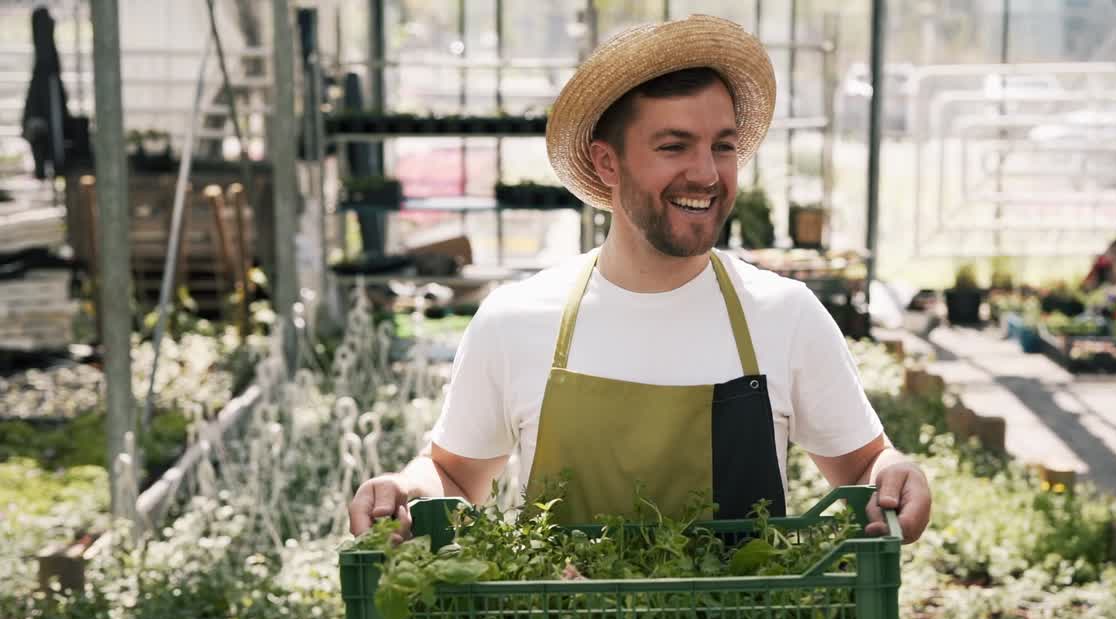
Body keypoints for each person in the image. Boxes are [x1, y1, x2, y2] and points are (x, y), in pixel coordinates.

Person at [349, 15, 931, 546]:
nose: (706, 173)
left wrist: (893, 474)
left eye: (722, 147)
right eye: (674, 146)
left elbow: (862, 468)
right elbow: (454, 474)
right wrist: (407, 489)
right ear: (607, 163)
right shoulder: (517, 320)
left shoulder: (782, 314)